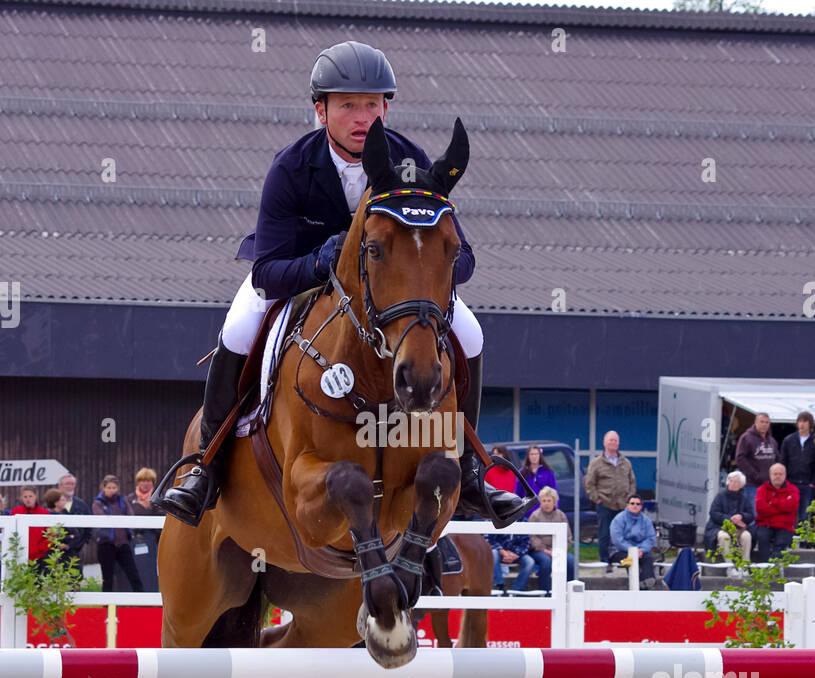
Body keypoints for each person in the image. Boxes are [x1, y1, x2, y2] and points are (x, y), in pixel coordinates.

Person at [156, 40, 526, 531]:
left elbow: (462, 255)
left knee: (472, 332)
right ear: (321, 109)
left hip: (392, 297)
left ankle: (471, 468)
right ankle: (207, 463)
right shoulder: (290, 168)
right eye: (348, 104)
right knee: (239, 325)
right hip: (301, 280)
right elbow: (267, 271)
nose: (362, 116)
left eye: (372, 104)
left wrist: (425, 273)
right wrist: (321, 261)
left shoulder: (411, 162)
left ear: (386, 107)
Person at [584, 430, 636, 565]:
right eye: (610, 440)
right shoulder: (596, 463)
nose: (613, 443)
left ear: (618, 443)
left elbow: (632, 481)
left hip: (623, 505)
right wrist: (597, 498)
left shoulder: (626, 462)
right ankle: (605, 562)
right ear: (604, 443)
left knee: (623, 534)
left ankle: (622, 560)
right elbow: (589, 483)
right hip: (605, 504)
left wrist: (630, 500)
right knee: (605, 534)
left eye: (615, 440)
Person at [93, 475, 145, 592]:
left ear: (118, 488)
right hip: (106, 544)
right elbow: (102, 518)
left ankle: (143, 603)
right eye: (109, 487)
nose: (112, 490)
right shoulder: (98, 503)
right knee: (107, 577)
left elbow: (130, 516)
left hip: (123, 543)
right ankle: (106, 605)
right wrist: (119, 518)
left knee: (133, 573)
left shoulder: (123, 501)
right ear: (104, 488)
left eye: (114, 488)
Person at [527, 486, 576, 593]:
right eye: (544, 501)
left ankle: (567, 592)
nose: (546, 503)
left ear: (554, 502)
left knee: (571, 561)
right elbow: (532, 537)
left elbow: (568, 537)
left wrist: (559, 550)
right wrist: (545, 550)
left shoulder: (561, 515)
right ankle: (545, 592)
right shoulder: (535, 516)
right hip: (540, 551)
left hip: (558, 549)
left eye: (549, 500)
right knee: (546, 562)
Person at [704, 471, 754, 562]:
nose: (733, 483)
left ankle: (745, 565)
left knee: (747, 536)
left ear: (741, 485)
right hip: (719, 527)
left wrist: (741, 516)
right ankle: (729, 566)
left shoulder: (744, 498)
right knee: (724, 537)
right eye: (731, 481)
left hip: (739, 529)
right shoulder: (720, 496)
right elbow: (714, 513)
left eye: (736, 482)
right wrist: (729, 519)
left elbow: (751, 515)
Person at [608, 494, 658, 584]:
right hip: (619, 551)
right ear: (627, 505)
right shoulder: (618, 519)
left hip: (641, 551)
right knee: (630, 559)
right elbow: (617, 540)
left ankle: (648, 581)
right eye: (632, 503)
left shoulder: (646, 520)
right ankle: (636, 583)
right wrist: (633, 551)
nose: (635, 506)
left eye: (638, 504)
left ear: (641, 506)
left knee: (648, 558)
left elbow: (650, 538)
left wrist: (641, 550)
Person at [126, 467, 161, 591]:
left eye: (148, 481)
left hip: (153, 540)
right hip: (134, 540)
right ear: (138, 482)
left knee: (151, 570)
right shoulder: (129, 499)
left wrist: (149, 509)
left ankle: (151, 594)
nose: (145, 484)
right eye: (143, 481)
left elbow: (162, 515)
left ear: (153, 482)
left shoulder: (158, 497)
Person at [755, 464, 799, 561]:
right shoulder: (762, 489)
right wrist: (782, 507)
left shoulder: (793, 489)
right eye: (775, 474)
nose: (778, 476)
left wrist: (773, 502)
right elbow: (761, 509)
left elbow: (791, 507)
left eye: (780, 474)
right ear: (770, 475)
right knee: (762, 540)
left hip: (785, 525)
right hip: (765, 524)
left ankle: (774, 570)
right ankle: (764, 568)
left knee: (780, 547)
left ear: (785, 475)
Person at [780, 411, 815, 526]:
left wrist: (813, 482)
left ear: (810, 423)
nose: (802, 424)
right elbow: (783, 461)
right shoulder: (788, 440)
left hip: (807, 483)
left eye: (805, 421)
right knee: (789, 513)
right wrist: (784, 481)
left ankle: (803, 542)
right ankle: (789, 540)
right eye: (800, 421)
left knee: (805, 514)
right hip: (791, 482)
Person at [55, 474, 93, 567]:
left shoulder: (81, 505)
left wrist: (84, 543)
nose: (70, 486)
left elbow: (89, 526)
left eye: (73, 484)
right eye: (67, 484)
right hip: (56, 550)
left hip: (78, 550)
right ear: (59, 486)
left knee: (76, 578)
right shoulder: (52, 503)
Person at [735, 412, 780, 488]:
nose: (764, 424)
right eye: (762, 422)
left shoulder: (772, 440)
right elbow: (740, 459)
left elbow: (777, 459)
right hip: (751, 485)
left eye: (767, 422)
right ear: (755, 423)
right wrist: (755, 475)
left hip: (769, 485)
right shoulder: (746, 438)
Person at [10, 486, 51, 564]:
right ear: (22, 498)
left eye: (30, 496)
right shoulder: (15, 512)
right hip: (19, 554)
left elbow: (50, 534)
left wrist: (40, 548)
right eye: (25, 497)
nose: (28, 499)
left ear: (36, 496)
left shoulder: (44, 513)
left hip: (40, 556)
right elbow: (10, 531)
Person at [518, 445, 557, 519]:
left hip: (544, 514)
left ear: (540, 455)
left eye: (536, 454)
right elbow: (518, 494)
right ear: (528, 456)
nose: (534, 456)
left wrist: (555, 509)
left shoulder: (548, 472)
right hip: (526, 514)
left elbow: (554, 493)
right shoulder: (522, 473)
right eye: (532, 454)